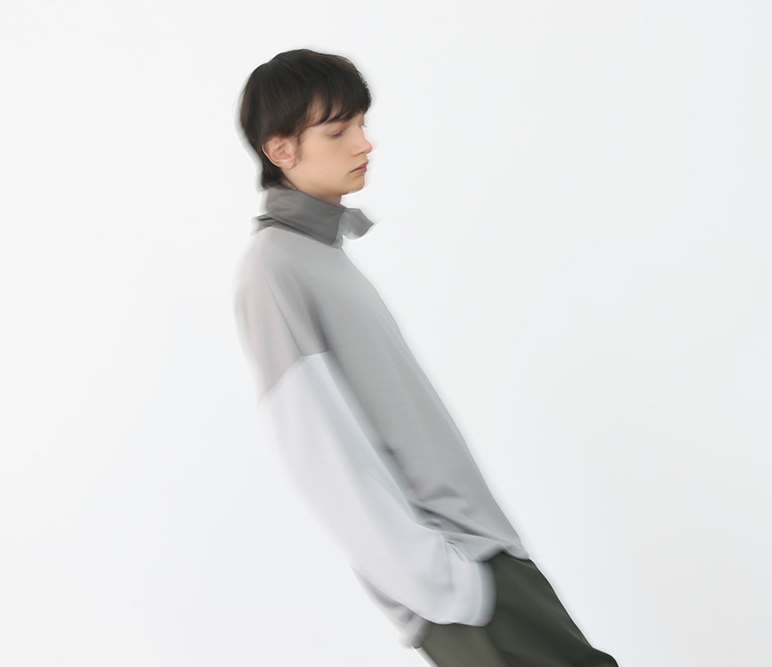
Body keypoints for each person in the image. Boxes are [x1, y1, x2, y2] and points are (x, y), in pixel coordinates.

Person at [233, 48, 620, 667]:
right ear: (281, 150)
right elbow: (319, 455)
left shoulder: (322, 255)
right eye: (338, 131)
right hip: (460, 582)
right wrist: (442, 583)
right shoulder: (275, 267)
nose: (364, 143)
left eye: (362, 123)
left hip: (482, 559)